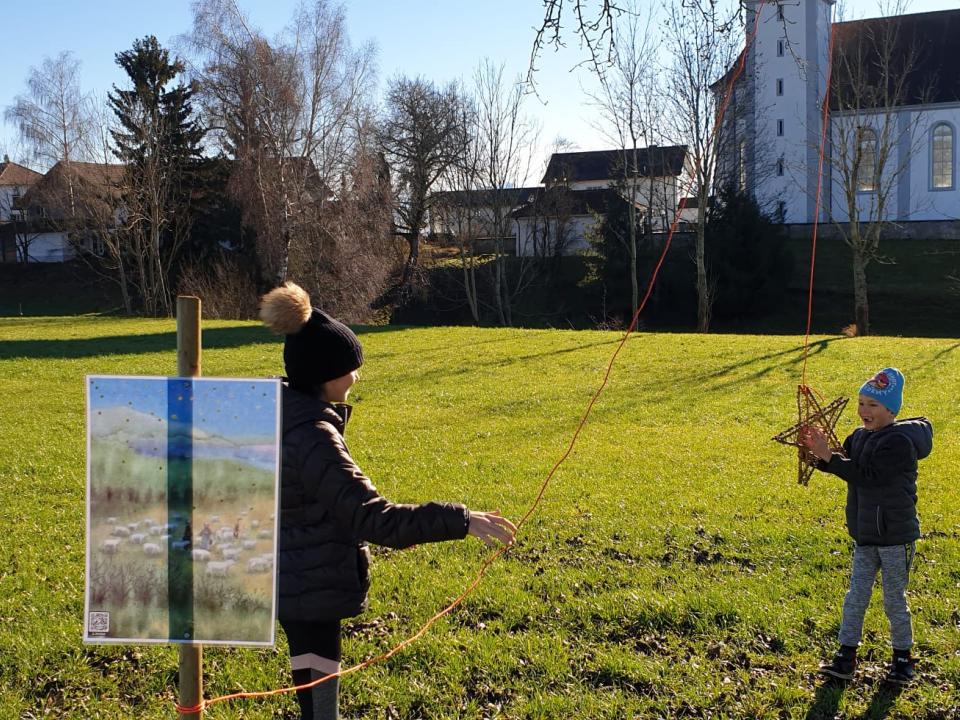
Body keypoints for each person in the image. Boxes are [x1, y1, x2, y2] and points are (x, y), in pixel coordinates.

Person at [260, 282, 517, 720]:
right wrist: (461, 520)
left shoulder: (277, 411)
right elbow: (373, 519)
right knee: (318, 684)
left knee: (313, 668)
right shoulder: (313, 437)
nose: (357, 376)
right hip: (308, 578)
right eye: (350, 367)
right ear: (325, 374)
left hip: (291, 574)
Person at [800, 367, 932, 685]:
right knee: (856, 596)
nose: (864, 411)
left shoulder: (899, 442)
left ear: (891, 409)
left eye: (873, 405)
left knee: (893, 600)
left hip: (894, 536)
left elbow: (868, 476)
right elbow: (845, 465)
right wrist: (816, 455)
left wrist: (828, 458)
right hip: (865, 534)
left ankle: (903, 660)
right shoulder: (858, 437)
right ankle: (846, 656)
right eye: (861, 403)